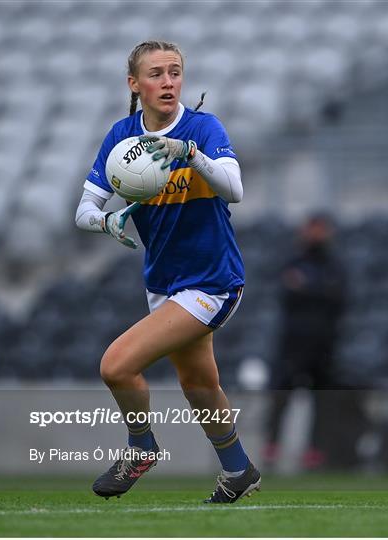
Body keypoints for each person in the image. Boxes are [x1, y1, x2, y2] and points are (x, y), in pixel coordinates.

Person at [75, 40, 260, 503]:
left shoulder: (202, 127)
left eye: (175, 72)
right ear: (134, 84)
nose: (168, 82)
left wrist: (191, 153)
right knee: (199, 383)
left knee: (116, 366)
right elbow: (84, 210)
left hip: (213, 282)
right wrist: (107, 220)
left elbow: (234, 190)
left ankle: (141, 447)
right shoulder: (122, 135)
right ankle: (238, 470)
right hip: (163, 283)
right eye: (155, 74)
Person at [264, 213, 347, 470]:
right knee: (281, 396)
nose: (316, 234)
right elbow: (287, 294)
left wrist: (306, 287)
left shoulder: (335, 265)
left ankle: (315, 452)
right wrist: (318, 290)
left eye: (321, 229)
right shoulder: (292, 261)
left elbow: (339, 298)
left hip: (324, 343)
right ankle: (272, 448)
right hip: (292, 342)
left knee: (322, 400)